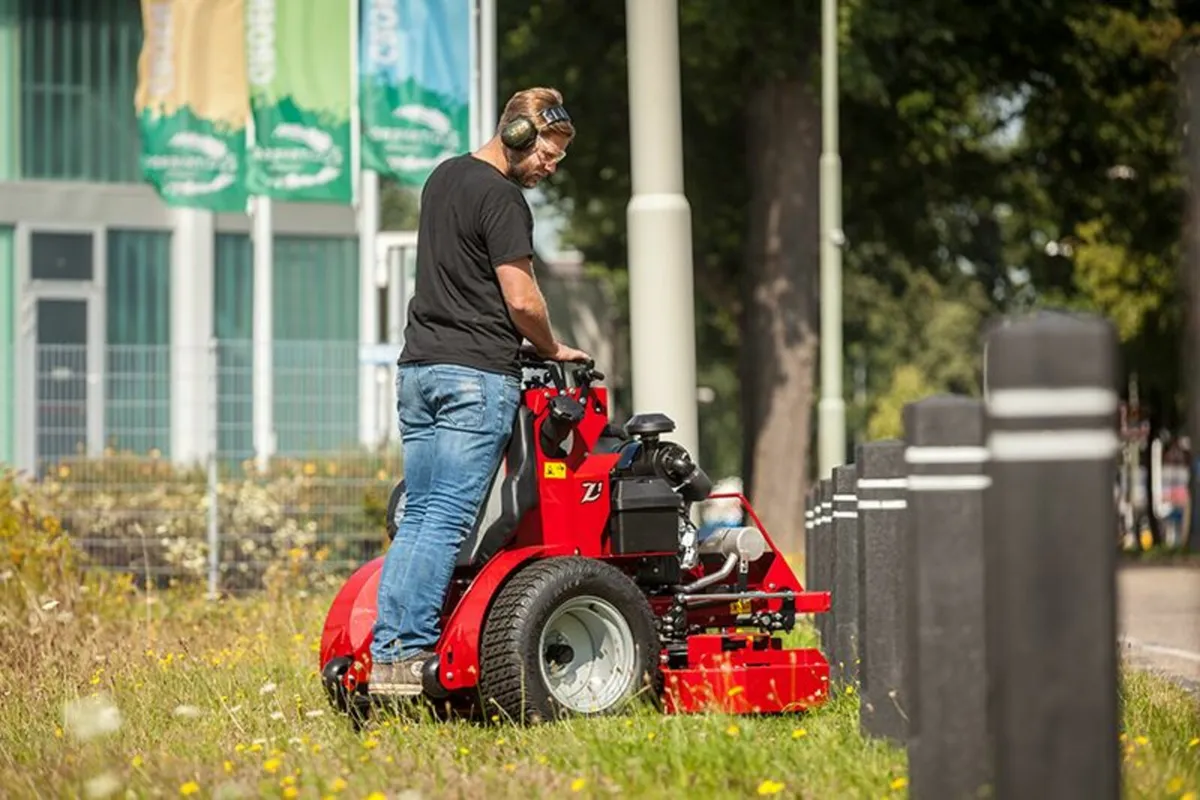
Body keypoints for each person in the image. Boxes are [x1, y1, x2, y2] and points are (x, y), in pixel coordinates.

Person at [369, 87, 591, 696]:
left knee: (418, 514)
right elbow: (520, 298)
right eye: (548, 150)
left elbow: (460, 280)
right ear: (518, 134)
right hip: (474, 377)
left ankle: (390, 651)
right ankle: (406, 654)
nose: (551, 164)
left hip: (421, 373)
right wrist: (552, 349)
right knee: (444, 518)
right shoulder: (503, 197)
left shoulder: (442, 179)